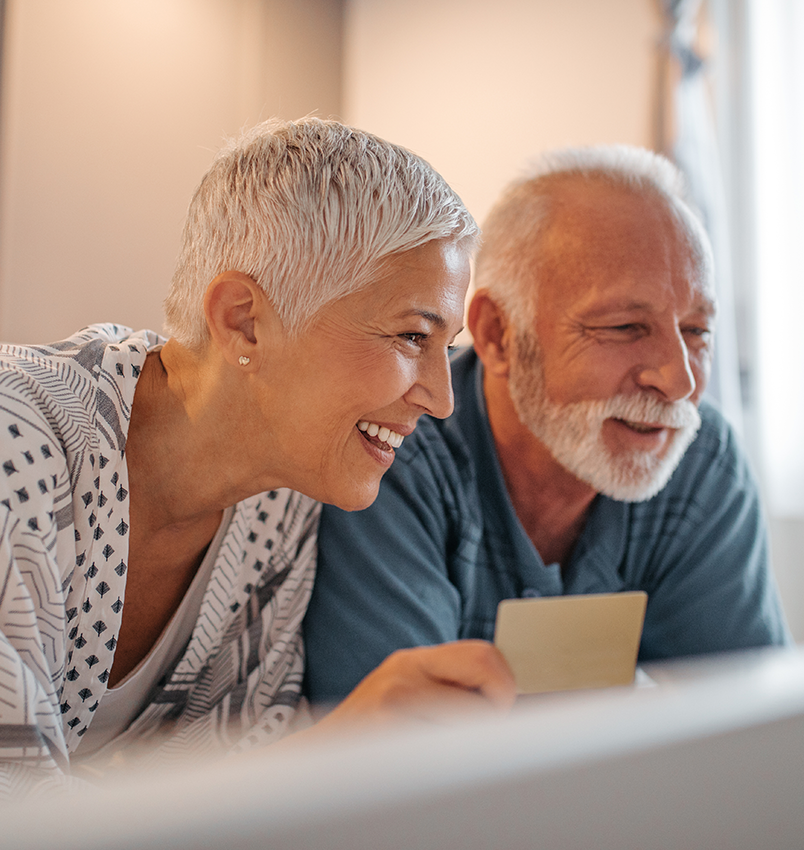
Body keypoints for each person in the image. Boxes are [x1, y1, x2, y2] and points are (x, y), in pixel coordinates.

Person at [0, 118, 516, 822]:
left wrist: (352, 748)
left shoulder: (280, 502)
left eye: (441, 345)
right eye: (410, 336)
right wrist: (331, 749)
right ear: (244, 321)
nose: (442, 399)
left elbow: (208, 800)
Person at [304, 144, 793, 704]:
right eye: (627, 326)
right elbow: (394, 767)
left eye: (696, 331)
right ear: (497, 335)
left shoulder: (699, 461)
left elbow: (748, 729)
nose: (679, 382)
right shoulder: (391, 457)